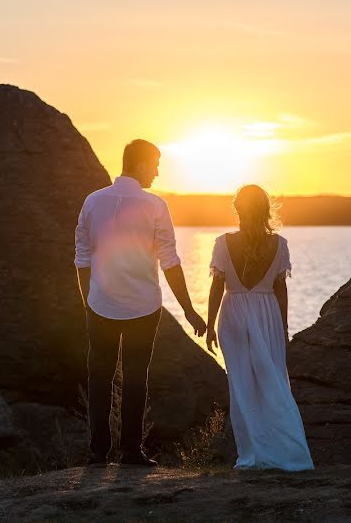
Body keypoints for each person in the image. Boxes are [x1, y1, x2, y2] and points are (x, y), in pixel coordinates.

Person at [75, 139, 207, 467]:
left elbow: (81, 257)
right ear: (141, 164)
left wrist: (87, 302)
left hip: (100, 304)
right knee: (136, 377)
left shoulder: (92, 202)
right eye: (156, 164)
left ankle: (97, 453)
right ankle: (131, 452)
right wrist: (188, 309)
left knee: (99, 376)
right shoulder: (154, 205)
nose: (158, 172)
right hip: (143, 307)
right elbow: (170, 261)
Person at [205, 185, 314, 471]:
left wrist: (209, 324)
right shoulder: (279, 244)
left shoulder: (222, 243)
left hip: (233, 313)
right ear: (265, 210)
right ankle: (281, 450)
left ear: (237, 208)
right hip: (267, 313)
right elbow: (281, 290)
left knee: (241, 385)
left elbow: (217, 286)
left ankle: (253, 454)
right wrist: (284, 327)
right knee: (274, 382)